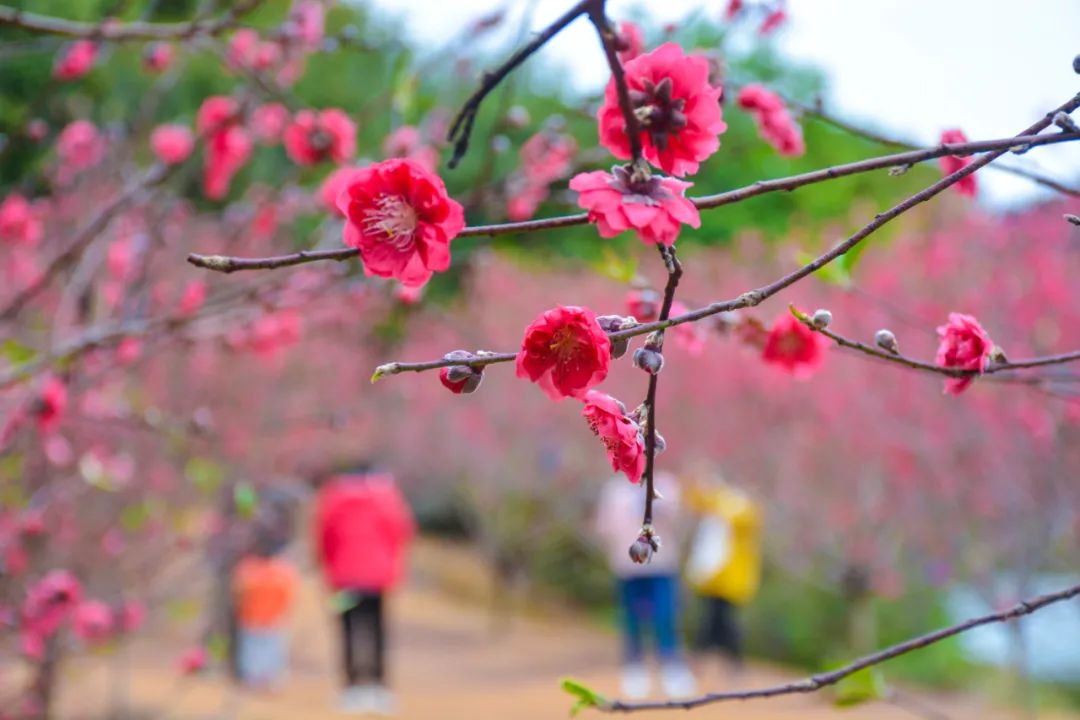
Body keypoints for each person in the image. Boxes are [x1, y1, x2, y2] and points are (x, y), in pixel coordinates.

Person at [313, 466, 415, 715]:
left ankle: (351, 686)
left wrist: (327, 566)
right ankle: (378, 685)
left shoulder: (334, 496)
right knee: (377, 628)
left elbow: (324, 535)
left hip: (343, 578)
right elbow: (402, 532)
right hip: (377, 579)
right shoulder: (387, 497)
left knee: (347, 629)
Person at [594, 473, 696, 700]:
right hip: (627, 568)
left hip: (661, 565)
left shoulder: (665, 485)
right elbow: (605, 527)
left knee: (665, 617)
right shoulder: (615, 491)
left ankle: (672, 666)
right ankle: (634, 667)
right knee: (631, 619)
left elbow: (678, 517)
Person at [684, 473, 762, 680]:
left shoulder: (741, 511)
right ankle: (722, 663)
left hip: (730, 581)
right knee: (714, 621)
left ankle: (714, 661)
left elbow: (740, 517)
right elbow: (698, 502)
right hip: (714, 580)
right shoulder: (720, 505)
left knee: (721, 622)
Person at [232, 529, 299, 689]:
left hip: (255, 618)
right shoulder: (282, 572)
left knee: (255, 650)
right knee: (267, 649)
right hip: (267, 619)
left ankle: (256, 677)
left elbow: (239, 592)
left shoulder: (248, 570)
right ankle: (265, 677)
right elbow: (288, 594)